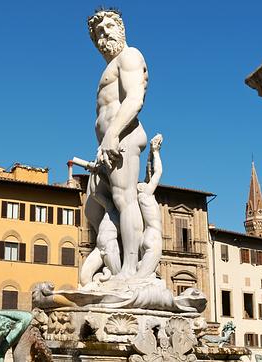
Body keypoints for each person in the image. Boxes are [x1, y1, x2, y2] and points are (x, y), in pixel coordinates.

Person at [82, 8, 149, 282]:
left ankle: (131, 271)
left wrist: (112, 134)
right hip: (106, 146)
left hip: (123, 136)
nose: (103, 34)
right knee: (94, 209)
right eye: (98, 32)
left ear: (121, 28)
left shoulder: (130, 55)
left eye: (108, 27)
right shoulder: (108, 67)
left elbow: (134, 98)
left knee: (125, 199)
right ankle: (113, 265)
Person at [135, 134, 164, 278]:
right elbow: (158, 172)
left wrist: (149, 157)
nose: (146, 182)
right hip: (153, 236)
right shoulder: (146, 194)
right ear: (141, 187)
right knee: (141, 279)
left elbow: (148, 174)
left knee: (144, 273)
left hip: (144, 237)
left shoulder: (140, 198)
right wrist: (156, 152)